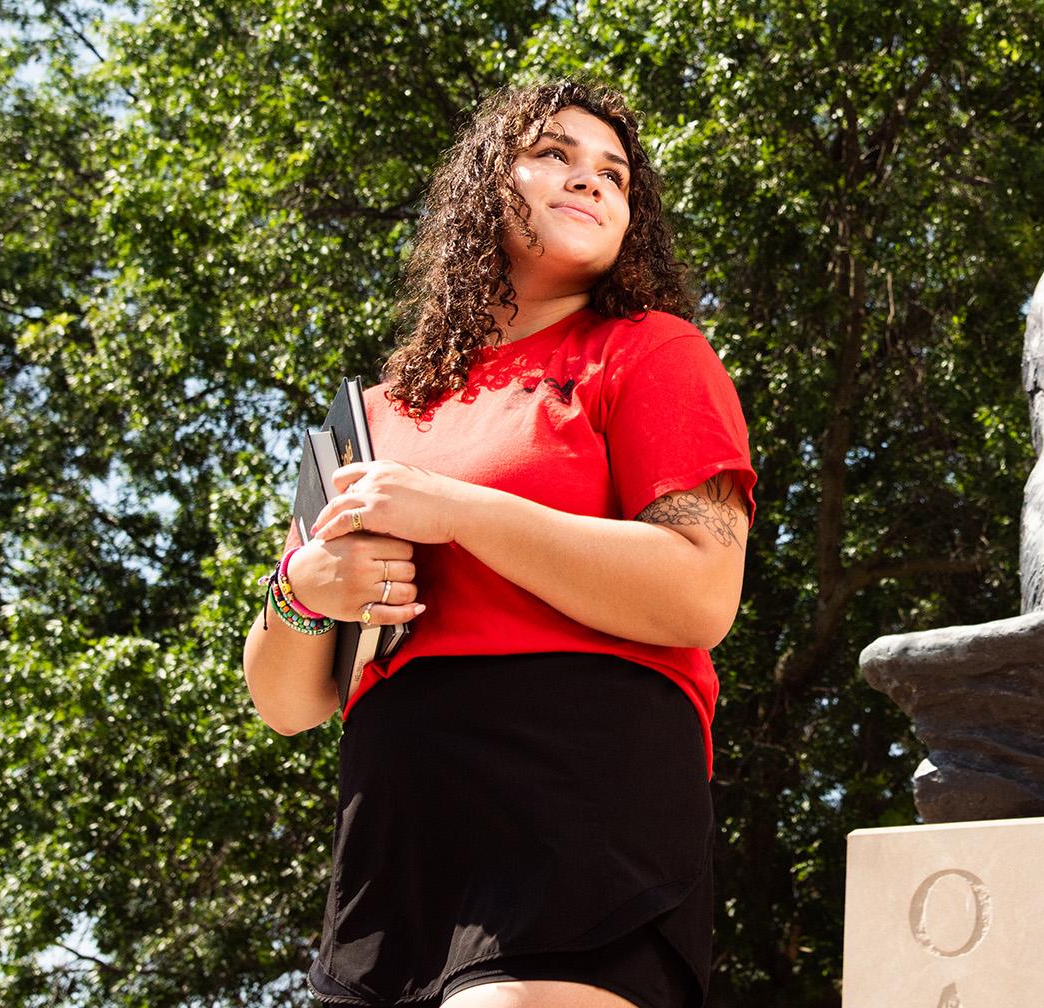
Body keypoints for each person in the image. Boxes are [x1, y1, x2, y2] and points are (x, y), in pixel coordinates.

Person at [241, 79, 755, 1008]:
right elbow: (287, 703)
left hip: (578, 791)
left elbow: (700, 592)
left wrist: (457, 511)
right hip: (391, 825)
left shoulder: (650, 351)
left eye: (616, 175)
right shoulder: (378, 414)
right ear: (487, 184)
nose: (591, 181)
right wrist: (308, 586)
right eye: (555, 154)